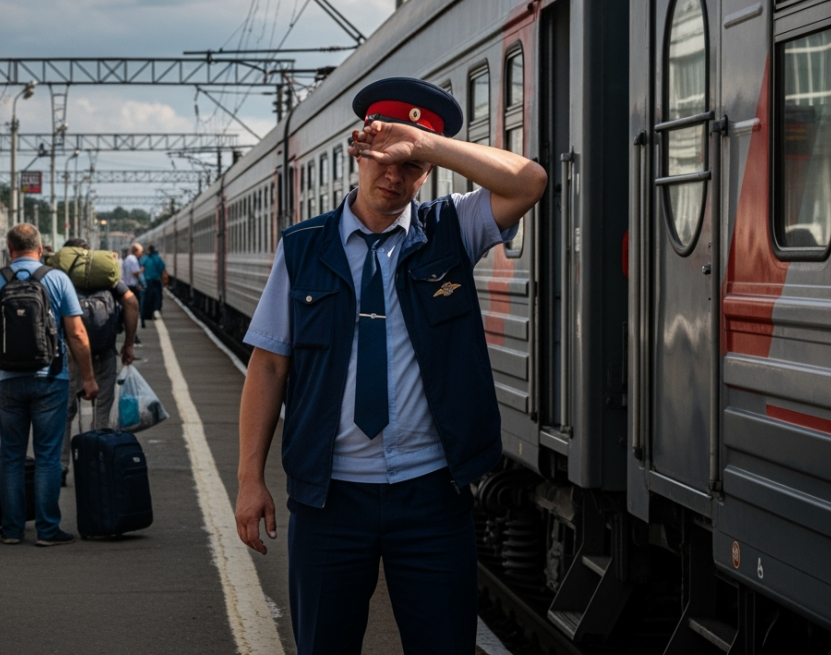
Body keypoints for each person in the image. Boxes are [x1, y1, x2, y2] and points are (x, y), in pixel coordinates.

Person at [233, 77, 547, 653]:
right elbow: (269, 364)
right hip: (329, 499)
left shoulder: (451, 228)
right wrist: (250, 480)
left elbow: (530, 181)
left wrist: (421, 143)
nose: (394, 177)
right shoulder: (303, 247)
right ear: (359, 153)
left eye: (409, 166)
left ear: (425, 171)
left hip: (430, 493)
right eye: (382, 159)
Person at [0, 224, 99, 547]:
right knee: (47, 457)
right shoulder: (57, 279)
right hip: (50, 380)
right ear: (40, 250)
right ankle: (47, 529)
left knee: (12, 456)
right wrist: (89, 377)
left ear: (9, 250)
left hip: (9, 383)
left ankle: (12, 530)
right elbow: (78, 335)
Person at [56, 238, 139, 484]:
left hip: (71, 352)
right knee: (102, 409)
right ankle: (98, 463)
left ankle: (61, 468)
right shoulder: (107, 276)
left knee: (65, 412)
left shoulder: (61, 276)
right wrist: (129, 343)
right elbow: (132, 303)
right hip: (103, 352)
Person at [138, 243, 167, 327]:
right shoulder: (158, 258)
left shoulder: (144, 258)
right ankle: (156, 310)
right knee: (157, 297)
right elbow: (162, 267)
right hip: (157, 280)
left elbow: (140, 267)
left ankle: (148, 313)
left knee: (147, 298)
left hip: (147, 281)